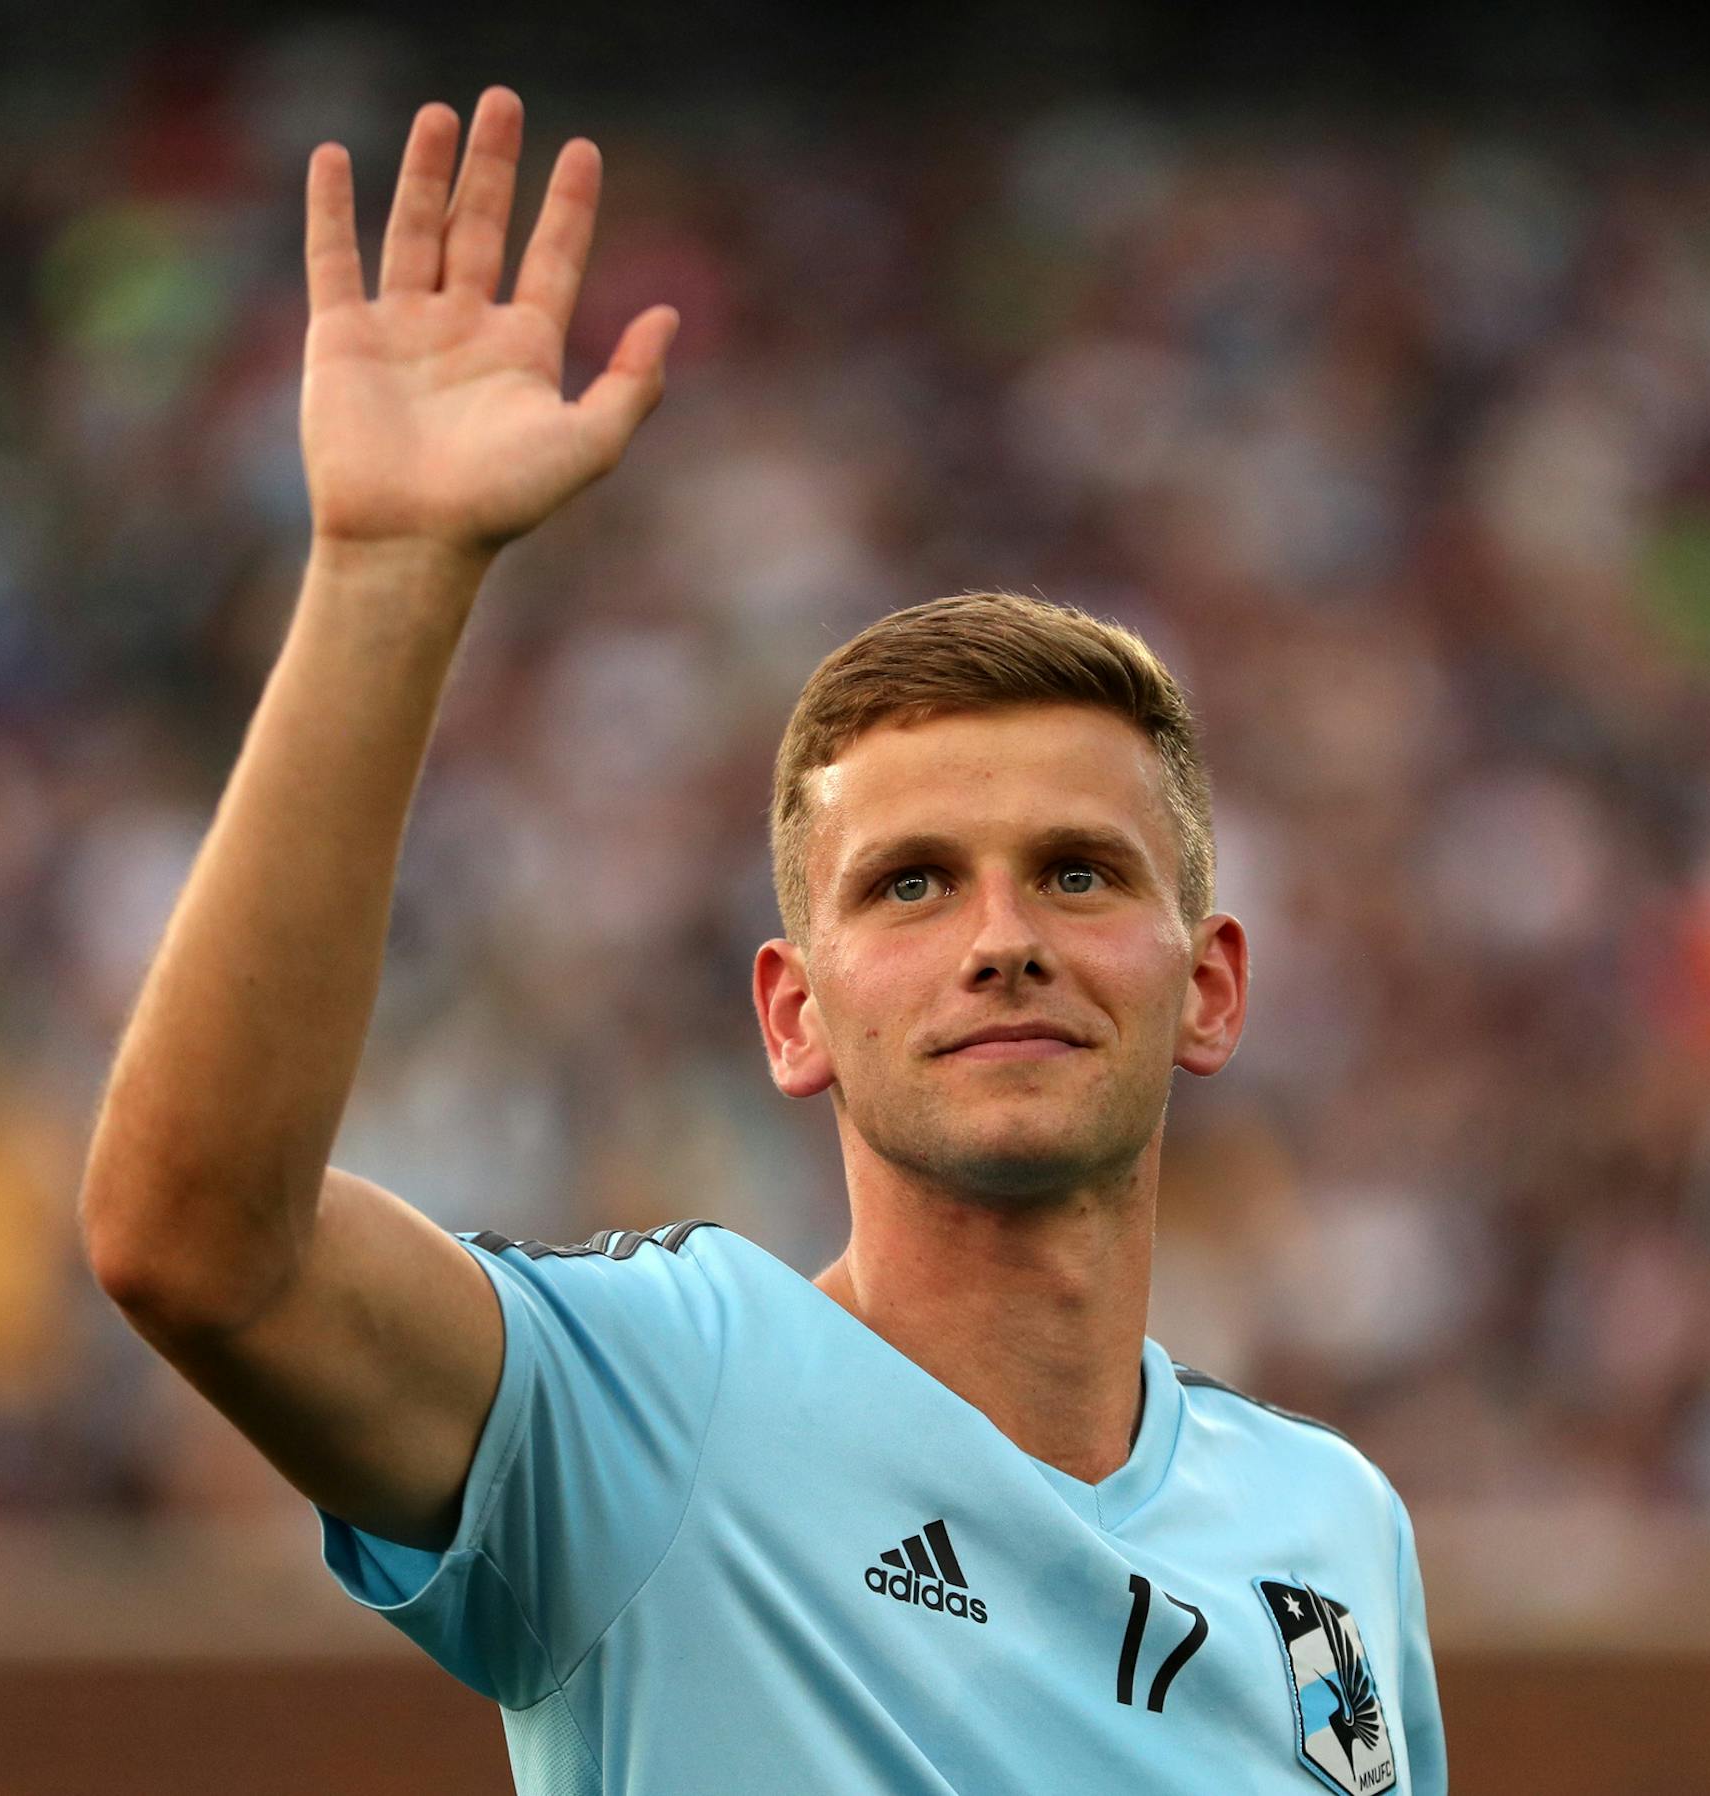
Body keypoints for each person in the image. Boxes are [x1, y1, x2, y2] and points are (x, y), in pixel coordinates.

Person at [79, 87, 1447, 1795]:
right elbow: (198, 1243)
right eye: (912, 884)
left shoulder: (1335, 1536)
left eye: (1081, 875)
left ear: (1213, 986)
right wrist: (386, 572)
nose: (1005, 938)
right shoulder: (651, 1407)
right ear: (791, 1016)